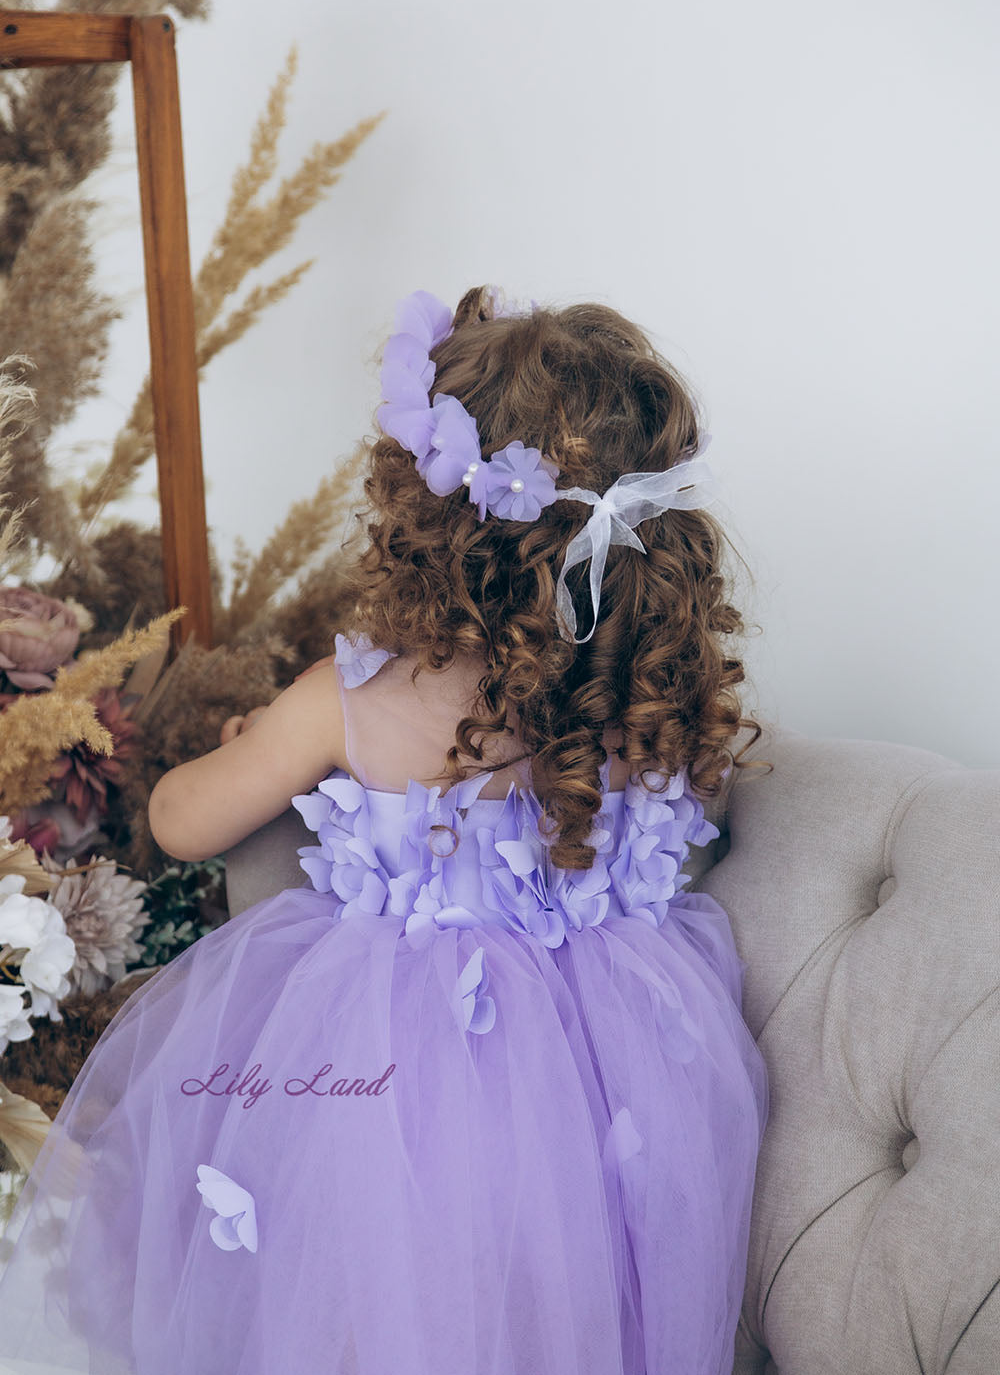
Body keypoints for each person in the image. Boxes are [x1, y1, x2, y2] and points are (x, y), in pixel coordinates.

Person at [0, 286, 769, 1375]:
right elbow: (688, 819)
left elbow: (178, 823)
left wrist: (255, 743)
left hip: (376, 1065)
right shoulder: (651, 713)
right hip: (614, 1068)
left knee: (367, 1305)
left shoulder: (347, 698)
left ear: (420, 520)